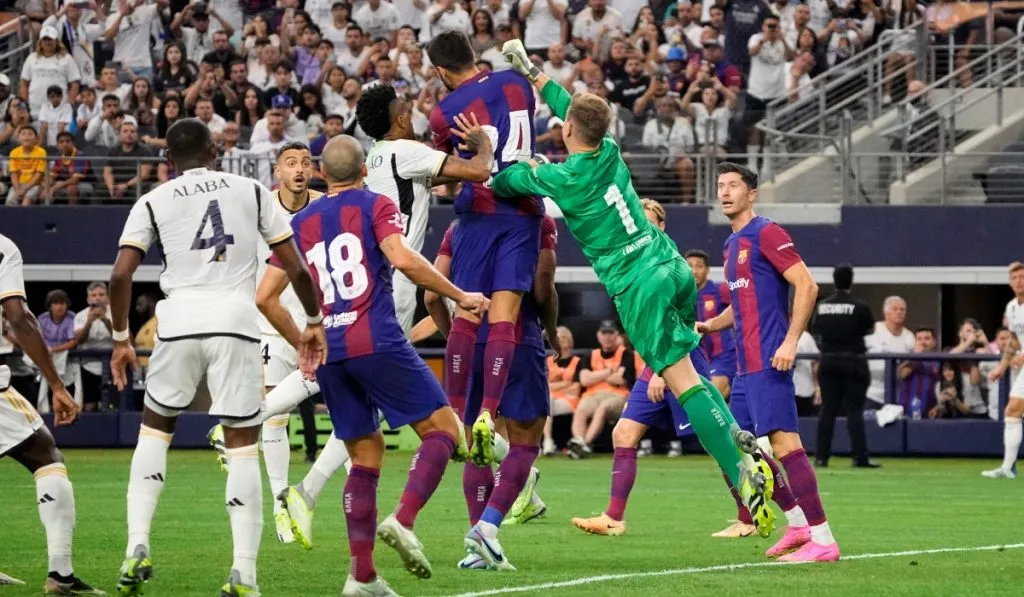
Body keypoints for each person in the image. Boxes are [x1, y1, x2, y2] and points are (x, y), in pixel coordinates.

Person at [495, 39, 774, 536]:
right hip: (670, 264)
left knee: (684, 383)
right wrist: (534, 75)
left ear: (566, 133)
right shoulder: (608, 150)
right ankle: (740, 465)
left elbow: (505, 181)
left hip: (638, 284)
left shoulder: (564, 177)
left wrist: (501, 159)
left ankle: (745, 472)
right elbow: (574, 110)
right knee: (693, 376)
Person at [260, 101, 498, 552]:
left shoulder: (301, 221)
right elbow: (404, 257)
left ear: (320, 176)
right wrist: (460, 296)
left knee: (363, 452)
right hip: (377, 332)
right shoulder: (377, 202)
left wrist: (305, 335)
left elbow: (264, 296)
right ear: (363, 173)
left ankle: (357, 567)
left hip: (331, 343)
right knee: (446, 431)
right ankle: (403, 520)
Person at [107, 118, 326, 597]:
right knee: (243, 444)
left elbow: (121, 276)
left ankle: (136, 544)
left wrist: (122, 338)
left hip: (178, 323)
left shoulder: (153, 199)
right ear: (215, 150)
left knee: (154, 432)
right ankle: (243, 573)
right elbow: (295, 265)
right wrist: (313, 321)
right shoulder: (250, 190)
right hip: (235, 324)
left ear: (167, 160)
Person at [696, 161, 839, 563]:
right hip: (744, 364)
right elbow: (740, 307)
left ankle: (823, 539)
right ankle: (795, 524)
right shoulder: (730, 245)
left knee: (784, 444)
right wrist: (710, 325)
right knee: (738, 444)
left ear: (751, 193)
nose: (724, 192)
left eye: (733, 186)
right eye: (720, 185)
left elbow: (807, 285)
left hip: (769, 358)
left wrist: (791, 341)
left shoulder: (767, 233)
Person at [427, 31, 545, 468]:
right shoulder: (516, 83)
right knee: (505, 315)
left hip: (478, 210)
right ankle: (486, 413)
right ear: (474, 56)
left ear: (440, 70)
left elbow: (450, 171)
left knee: (467, 311)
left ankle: (457, 414)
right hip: (525, 210)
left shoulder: (444, 113)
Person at [206, 142, 330, 546]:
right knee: (278, 415)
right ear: (277, 172)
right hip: (269, 322)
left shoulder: (326, 207)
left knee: (287, 403)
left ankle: (236, 428)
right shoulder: (259, 207)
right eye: (290, 163)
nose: (299, 169)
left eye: (305, 162)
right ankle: (281, 501)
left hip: (317, 321)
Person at [426, 214, 558, 570]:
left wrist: (454, 336)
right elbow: (543, 284)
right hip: (518, 338)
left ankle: (475, 550)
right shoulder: (536, 221)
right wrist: (553, 329)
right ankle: (487, 528)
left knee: (474, 445)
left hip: (471, 341)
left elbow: (431, 296)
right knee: (526, 441)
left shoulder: (458, 225)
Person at [0, 233, 104, 596]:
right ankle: (60, 574)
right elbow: (20, 318)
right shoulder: (2, 246)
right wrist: (57, 385)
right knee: (45, 456)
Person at [357, 83, 495, 335]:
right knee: (389, 367)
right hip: (397, 279)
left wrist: (456, 173)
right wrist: (484, 142)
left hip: (376, 277)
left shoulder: (376, 155)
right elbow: (480, 170)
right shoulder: (407, 151)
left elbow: (441, 175)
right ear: (400, 120)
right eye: (408, 113)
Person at [812, 263, 879, 468]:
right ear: (851, 280)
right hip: (853, 362)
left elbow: (817, 330)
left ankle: (821, 457)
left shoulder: (822, 306)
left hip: (829, 362)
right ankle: (860, 457)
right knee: (854, 411)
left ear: (834, 280)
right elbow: (870, 329)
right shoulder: (859, 306)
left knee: (828, 410)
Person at [984, 261, 1024, 478]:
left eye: (1022, 277)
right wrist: (1002, 366)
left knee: (1013, 410)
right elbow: (1015, 341)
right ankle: (1008, 467)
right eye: (1015, 278)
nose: (1019, 281)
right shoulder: (1011, 307)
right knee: (1013, 411)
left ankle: (1008, 467)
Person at [685, 248, 736, 400]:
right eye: (689, 266)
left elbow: (742, 307)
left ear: (707, 270)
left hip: (722, 355)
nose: (694, 271)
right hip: (695, 357)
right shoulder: (680, 295)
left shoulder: (720, 290)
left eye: (699, 266)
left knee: (709, 396)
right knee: (709, 402)